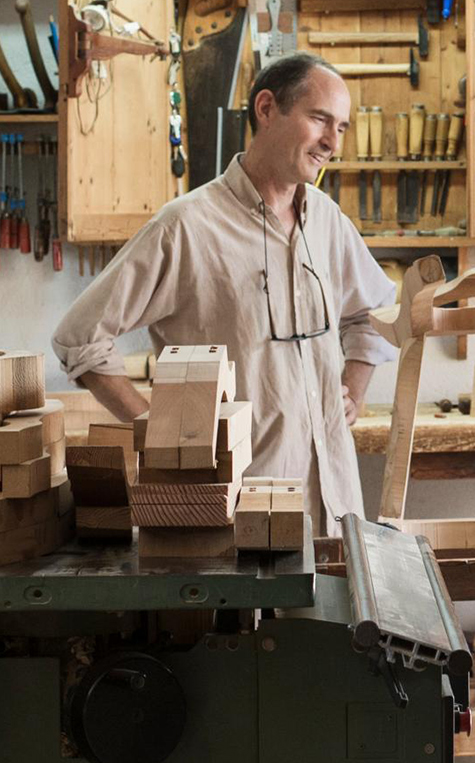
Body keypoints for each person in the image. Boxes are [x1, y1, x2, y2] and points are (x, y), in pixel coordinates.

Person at [53, 51, 397, 536]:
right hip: (233, 515)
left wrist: (354, 394)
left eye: (341, 127)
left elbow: (374, 314)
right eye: (320, 120)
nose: (331, 144)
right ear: (266, 108)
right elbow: (78, 337)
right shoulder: (186, 226)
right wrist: (162, 432)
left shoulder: (328, 222)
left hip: (333, 506)